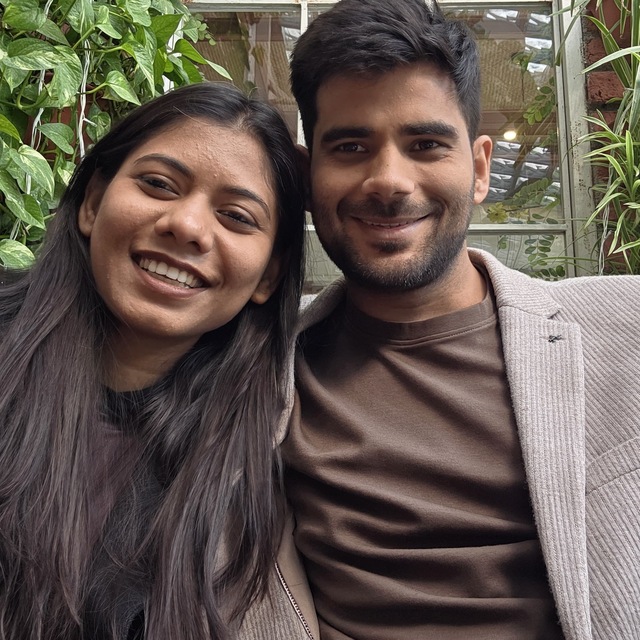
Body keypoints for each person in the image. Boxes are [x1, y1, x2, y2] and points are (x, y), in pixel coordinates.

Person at [280, 1, 640, 639]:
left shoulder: (624, 326)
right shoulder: (261, 368)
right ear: (309, 177)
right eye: (351, 146)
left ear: (478, 169)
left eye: (425, 145)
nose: (389, 181)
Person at [0, 82, 312, 640]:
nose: (187, 226)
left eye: (237, 216)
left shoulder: (268, 441)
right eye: (159, 184)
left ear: (268, 274)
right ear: (92, 203)